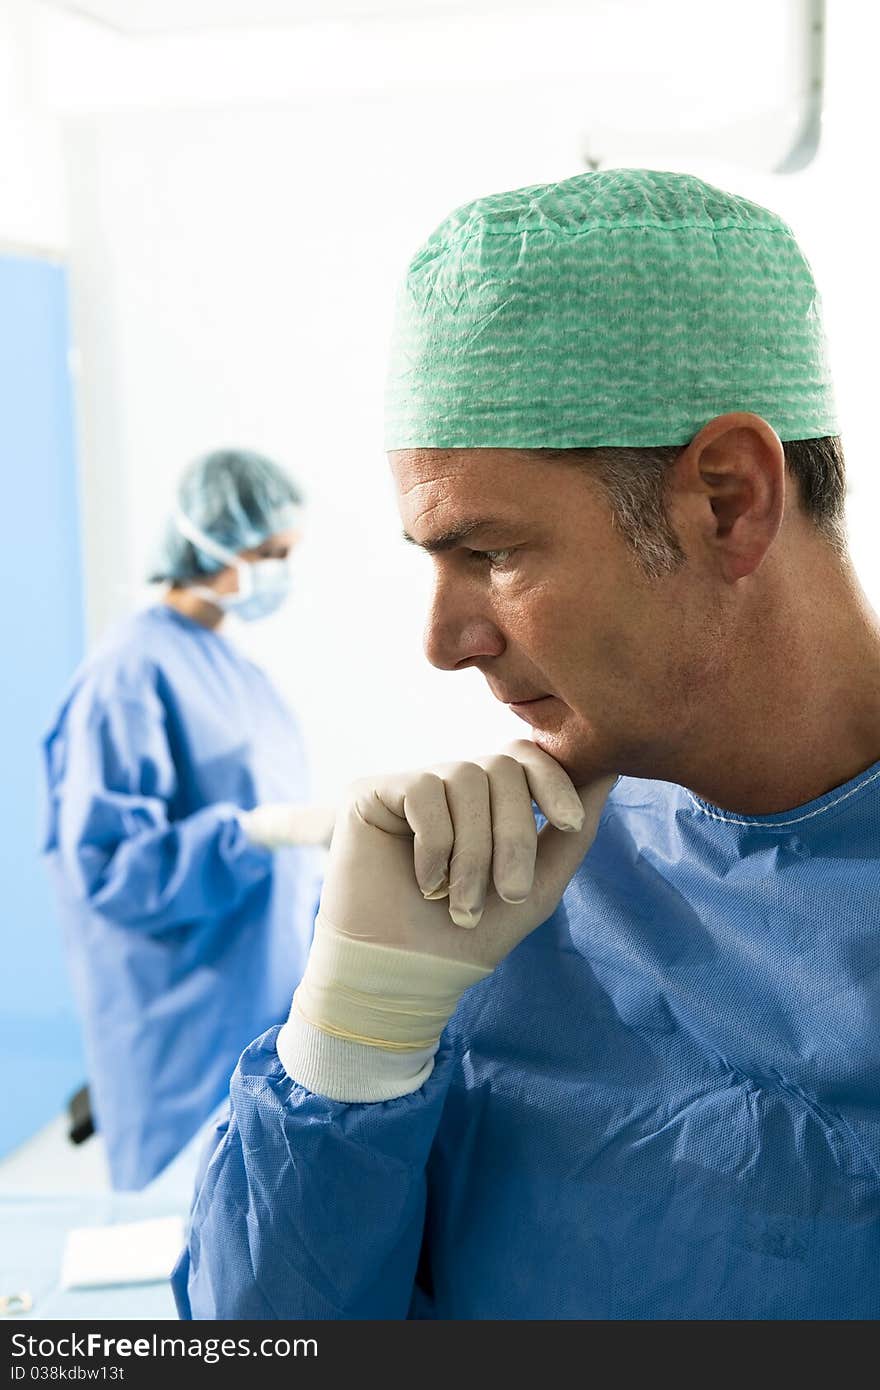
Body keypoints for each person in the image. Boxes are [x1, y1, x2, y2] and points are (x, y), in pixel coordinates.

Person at [173, 172, 880, 1319]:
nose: (443, 643)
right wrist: (353, 1041)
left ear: (728, 500)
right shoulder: (492, 900)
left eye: (489, 552)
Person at [42, 449, 331, 1191]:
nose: (279, 573)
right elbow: (107, 868)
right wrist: (253, 833)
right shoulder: (127, 675)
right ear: (211, 541)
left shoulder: (238, 674)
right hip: (183, 1037)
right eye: (268, 554)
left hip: (262, 1012)